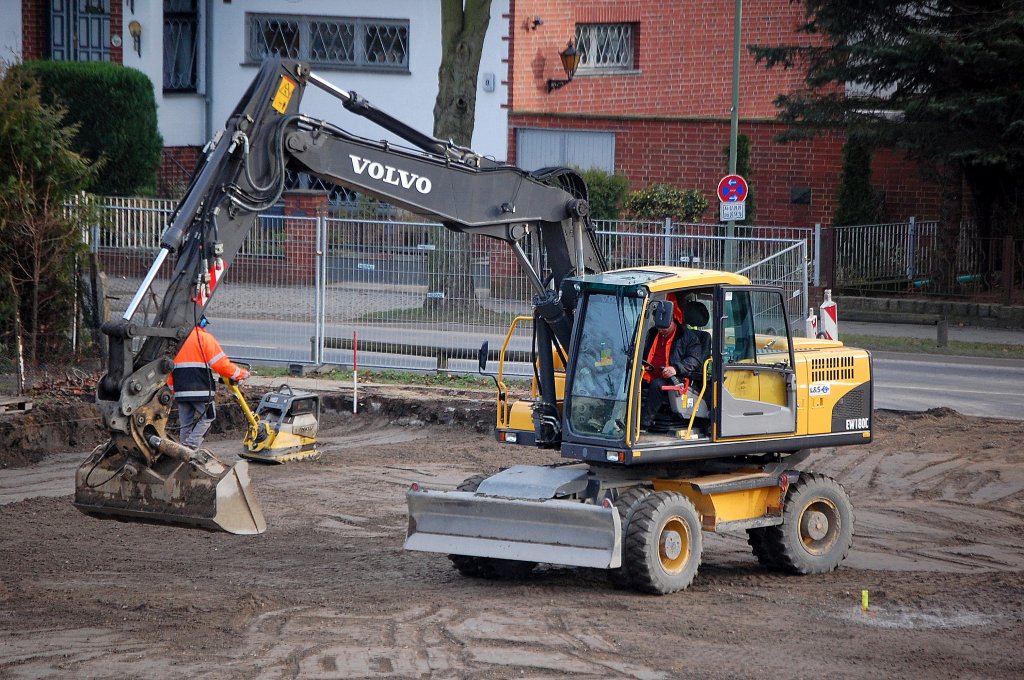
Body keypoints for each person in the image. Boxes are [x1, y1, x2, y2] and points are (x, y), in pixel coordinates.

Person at [168, 316, 250, 449]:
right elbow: (221, 365)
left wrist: (173, 390)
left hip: (180, 391)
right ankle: (191, 446)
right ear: (202, 323)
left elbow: (168, 369)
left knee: (185, 424)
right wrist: (241, 374)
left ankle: (182, 449)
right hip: (201, 390)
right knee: (208, 417)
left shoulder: (177, 340)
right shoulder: (204, 338)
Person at [640, 300, 703, 430]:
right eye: (659, 327)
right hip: (647, 373)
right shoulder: (652, 334)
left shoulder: (688, 337)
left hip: (675, 379)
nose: (662, 330)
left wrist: (675, 368)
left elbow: (695, 360)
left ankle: (643, 425)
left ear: (673, 320)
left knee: (657, 384)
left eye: (665, 327)